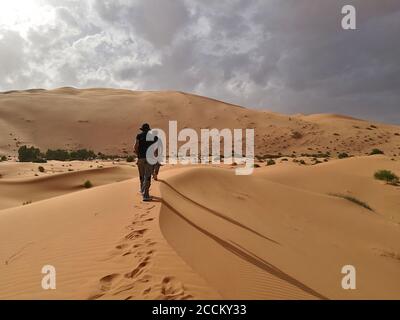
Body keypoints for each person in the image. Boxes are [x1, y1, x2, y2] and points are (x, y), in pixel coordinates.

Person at [134, 123, 158, 201]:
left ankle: (142, 190)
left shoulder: (139, 136)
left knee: (141, 175)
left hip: (141, 158)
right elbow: (156, 149)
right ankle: (146, 195)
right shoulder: (154, 137)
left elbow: (135, 146)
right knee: (147, 176)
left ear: (142, 129)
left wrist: (138, 154)